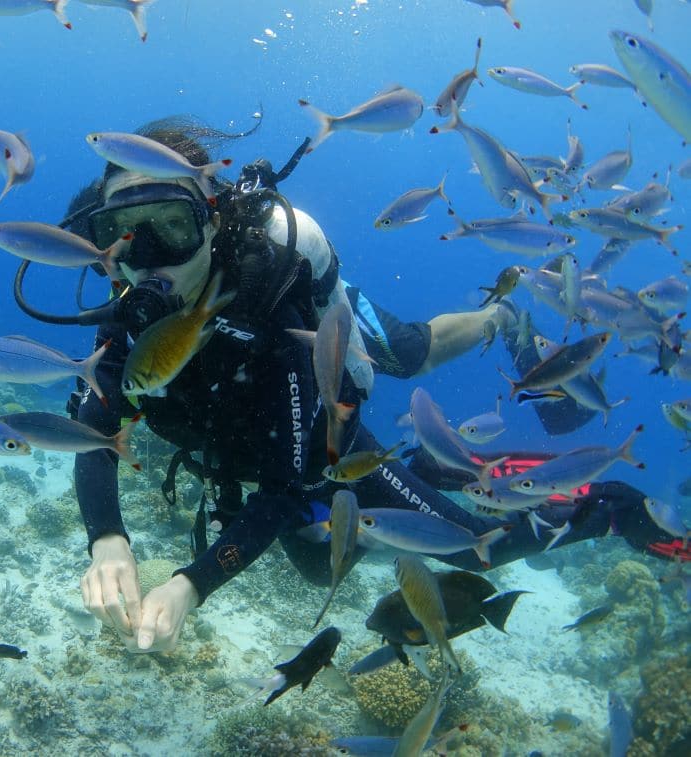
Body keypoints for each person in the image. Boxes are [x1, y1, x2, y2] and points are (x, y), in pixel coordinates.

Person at [55, 119, 681, 654]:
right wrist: (107, 537)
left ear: (214, 222)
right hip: (269, 447)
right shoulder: (132, 309)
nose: (155, 257)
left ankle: (592, 478)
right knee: (312, 566)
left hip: (319, 382)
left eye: (176, 225)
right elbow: (93, 427)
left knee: (420, 380)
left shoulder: (271, 290)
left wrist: (191, 583)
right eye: (132, 233)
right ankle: (434, 466)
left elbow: (289, 480)